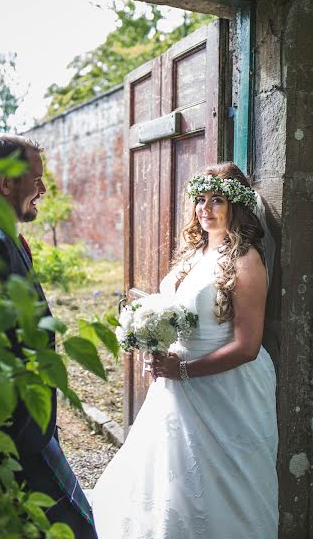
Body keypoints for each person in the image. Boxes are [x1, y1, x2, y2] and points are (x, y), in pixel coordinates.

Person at [92, 162, 278, 538]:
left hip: (227, 389)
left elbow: (247, 347)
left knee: (222, 491)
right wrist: (154, 345)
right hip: (176, 388)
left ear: (237, 206)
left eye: (217, 200)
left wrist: (184, 370)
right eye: (200, 199)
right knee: (167, 485)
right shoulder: (193, 256)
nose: (205, 208)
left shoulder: (246, 261)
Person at [0, 136, 98, 538]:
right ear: (6, 184)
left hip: (29, 432)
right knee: (77, 529)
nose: (43, 189)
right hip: (15, 436)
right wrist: (24, 434)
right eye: (36, 179)